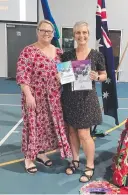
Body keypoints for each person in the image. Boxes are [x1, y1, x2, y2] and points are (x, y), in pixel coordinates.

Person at [16, 19, 72, 174]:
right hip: (35, 97)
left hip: (53, 98)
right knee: (32, 127)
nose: (46, 33)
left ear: (53, 34)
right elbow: (22, 75)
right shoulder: (28, 51)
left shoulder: (59, 53)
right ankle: (29, 158)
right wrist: (28, 95)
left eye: (49, 31)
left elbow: (67, 76)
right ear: (37, 31)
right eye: (43, 30)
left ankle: (41, 153)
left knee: (47, 129)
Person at [60, 21, 107, 183]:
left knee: (84, 134)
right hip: (69, 98)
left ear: (88, 34)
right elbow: (63, 79)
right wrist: (61, 76)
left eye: (84, 32)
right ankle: (75, 160)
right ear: (74, 36)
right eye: (78, 33)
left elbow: (104, 75)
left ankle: (89, 165)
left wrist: (97, 77)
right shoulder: (66, 55)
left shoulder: (96, 55)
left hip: (87, 100)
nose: (81, 36)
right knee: (72, 132)